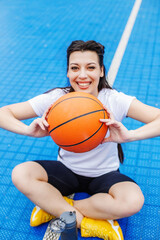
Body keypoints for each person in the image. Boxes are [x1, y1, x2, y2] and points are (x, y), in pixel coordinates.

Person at [0, 40, 160, 240]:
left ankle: (55, 207)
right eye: (75, 68)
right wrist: (27, 130)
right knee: (20, 173)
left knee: (133, 201)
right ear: (68, 72)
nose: (82, 75)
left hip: (105, 174)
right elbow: (3, 113)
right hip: (66, 172)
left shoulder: (114, 100)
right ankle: (83, 221)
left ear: (101, 71)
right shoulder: (57, 98)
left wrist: (131, 135)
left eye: (90, 67)